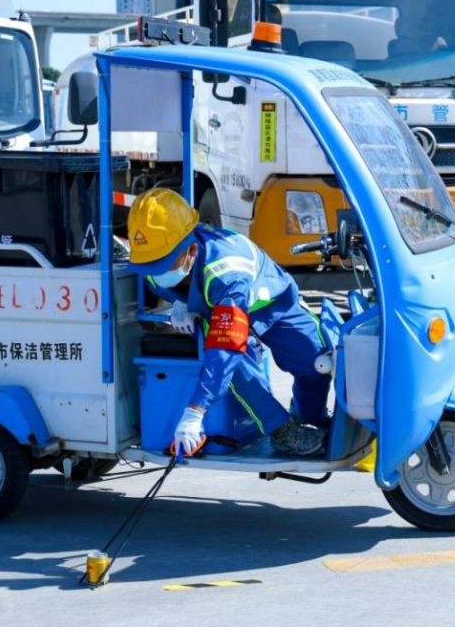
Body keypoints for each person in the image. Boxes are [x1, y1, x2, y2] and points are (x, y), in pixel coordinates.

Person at [126, 188, 331, 458]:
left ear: (191, 249)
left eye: (164, 263)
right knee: (237, 369)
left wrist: (194, 411)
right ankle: (282, 431)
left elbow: (227, 346)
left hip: (270, 301)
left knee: (316, 359)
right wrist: (181, 302)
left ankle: (311, 418)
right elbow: (223, 353)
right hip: (213, 309)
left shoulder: (226, 271)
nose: (157, 272)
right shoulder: (156, 259)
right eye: (151, 264)